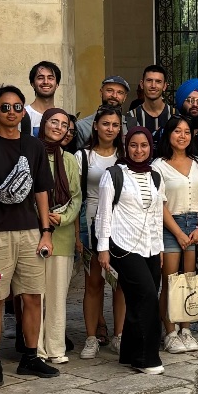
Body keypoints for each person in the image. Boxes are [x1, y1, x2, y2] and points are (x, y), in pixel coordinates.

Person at [0, 85, 57, 384]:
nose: (12, 112)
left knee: (32, 296)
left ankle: (30, 357)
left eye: (17, 107)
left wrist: (46, 231)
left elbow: (41, 191)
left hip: (30, 232)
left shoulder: (34, 146)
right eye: (5, 107)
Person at [97, 128, 167, 375]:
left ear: (150, 147)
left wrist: (159, 247)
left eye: (144, 145)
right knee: (146, 297)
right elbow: (104, 213)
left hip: (150, 246)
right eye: (134, 145)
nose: (139, 150)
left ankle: (128, 352)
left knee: (142, 298)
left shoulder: (155, 176)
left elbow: (157, 214)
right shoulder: (114, 174)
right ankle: (145, 358)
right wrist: (103, 248)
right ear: (126, 147)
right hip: (123, 245)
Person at [154, 115, 198, 351]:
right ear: (168, 134)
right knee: (170, 282)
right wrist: (178, 233)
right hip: (170, 224)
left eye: (187, 132)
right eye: (177, 131)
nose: (182, 136)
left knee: (190, 280)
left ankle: (186, 329)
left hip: (196, 226)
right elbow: (159, 203)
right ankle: (170, 332)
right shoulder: (158, 165)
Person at [78, 106, 127, 359]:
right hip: (91, 222)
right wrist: (77, 235)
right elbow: (76, 197)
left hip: (121, 224)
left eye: (115, 125)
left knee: (120, 283)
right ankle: (91, 337)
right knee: (94, 282)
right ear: (96, 126)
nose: (110, 129)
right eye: (105, 124)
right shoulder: (83, 156)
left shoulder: (125, 155)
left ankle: (119, 335)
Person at [35, 108, 81, 365]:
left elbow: (76, 197)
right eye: (54, 122)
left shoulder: (70, 159)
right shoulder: (31, 153)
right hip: (34, 232)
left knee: (56, 296)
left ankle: (55, 347)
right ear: (44, 123)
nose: (59, 127)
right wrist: (42, 216)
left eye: (64, 125)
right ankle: (36, 349)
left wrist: (62, 218)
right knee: (35, 295)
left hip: (62, 235)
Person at [74, 76, 130, 146]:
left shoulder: (131, 125)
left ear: (125, 97)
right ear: (101, 92)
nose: (114, 95)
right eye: (109, 90)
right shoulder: (82, 126)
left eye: (120, 92)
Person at [125, 65, 174, 134]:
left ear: (164, 86)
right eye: (149, 80)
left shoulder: (174, 115)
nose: (153, 85)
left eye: (158, 81)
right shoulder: (132, 116)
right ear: (142, 84)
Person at [26, 61, 61, 137]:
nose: (45, 82)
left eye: (50, 78)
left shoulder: (62, 117)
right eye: (40, 78)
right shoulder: (24, 114)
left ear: (57, 84)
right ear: (32, 84)